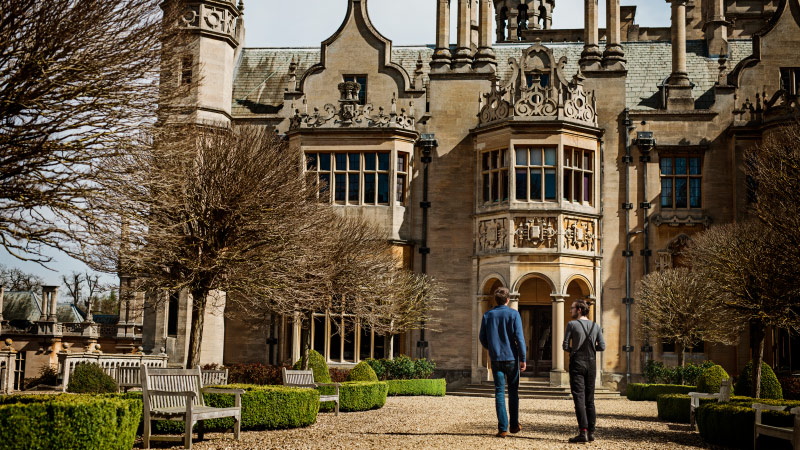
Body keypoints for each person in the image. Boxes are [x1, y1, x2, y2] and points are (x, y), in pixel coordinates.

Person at [479, 287, 527, 438]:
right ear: (507, 300)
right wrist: (523, 358)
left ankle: (502, 428)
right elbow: (519, 338)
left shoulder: (488, 315)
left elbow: (482, 338)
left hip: (496, 358)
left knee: (499, 393)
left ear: (496, 300)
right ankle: (513, 425)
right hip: (512, 358)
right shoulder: (514, 314)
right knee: (513, 392)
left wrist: (491, 348)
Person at [563, 299, 606, 443]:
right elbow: (602, 346)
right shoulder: (596, 326)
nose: (570, 310)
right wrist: (593, 348)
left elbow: (565, 345)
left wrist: (573, 351)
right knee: (590, 399)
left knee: (579, 398)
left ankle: (583, 432)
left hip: (577, 363)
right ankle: (592, 432)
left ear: (579, 310)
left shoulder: (572, 324)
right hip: (592, 363)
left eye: (572, 308)